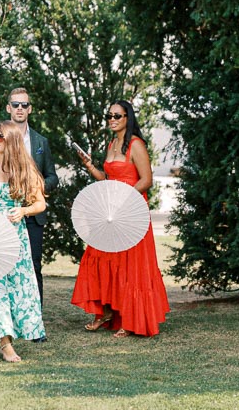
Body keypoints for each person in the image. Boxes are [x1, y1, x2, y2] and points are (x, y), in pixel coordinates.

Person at [71, 99, 170, 337]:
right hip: (110, 213)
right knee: (99, 257)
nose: (112, 120)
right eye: (109, 116)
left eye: (117, 116)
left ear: (128, 118)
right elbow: (107, 179)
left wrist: (123, 198)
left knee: (130, 266)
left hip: (131, 213)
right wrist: (89, 166)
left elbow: (146, 180)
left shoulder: (136, 145)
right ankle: (105, 312)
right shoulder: (111, 144)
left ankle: (130, 318)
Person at [0, 87, 57, 346]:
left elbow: (45, 188)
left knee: (23, 281)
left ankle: (30, 328)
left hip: (20, 228)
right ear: (8, 107)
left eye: (0, 137)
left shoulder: (37, 148)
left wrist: (27, 202)